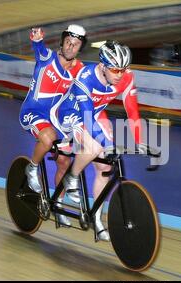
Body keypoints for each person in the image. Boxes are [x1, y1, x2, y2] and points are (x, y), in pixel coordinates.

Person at [55, 40, 145, 241]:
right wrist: (107, 143)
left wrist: (140, 142)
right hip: (71, 114)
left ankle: (96, 218)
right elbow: (86, 118)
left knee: (105, 167)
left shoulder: (125, 77)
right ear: (103, 66)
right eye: (114, 70)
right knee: (95, 146)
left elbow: (133, 112)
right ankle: (71, 177)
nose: (119, 75)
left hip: (94, 113)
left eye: (123, 69)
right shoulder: (85, 79)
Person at [19, 24, 87, 227]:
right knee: (48, 138)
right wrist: (36, 36)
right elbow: (36, 44)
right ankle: (31, 169)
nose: (70, 47)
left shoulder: (79, 69)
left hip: (53, 118)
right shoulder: (46, 57)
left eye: (75, 45)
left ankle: (57, 204)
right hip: (32, 113)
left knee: (65, 161)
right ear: (62, 41)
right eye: (68, 42)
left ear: (79, 48)